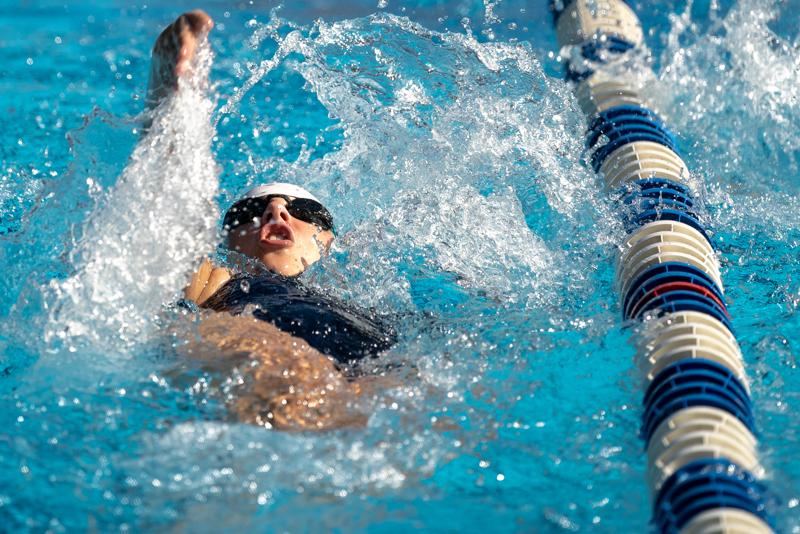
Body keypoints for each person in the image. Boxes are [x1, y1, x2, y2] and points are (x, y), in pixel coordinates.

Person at [147, 10, 395, 430]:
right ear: (229, 242)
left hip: (378, 380)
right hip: (271, 352)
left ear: (327, 239)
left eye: (302, 211)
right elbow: (160, 214)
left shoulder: (375, 303)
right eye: (249, 211)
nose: (276, 211)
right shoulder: (218, 282)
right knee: (298, 387)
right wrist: (172, 96)